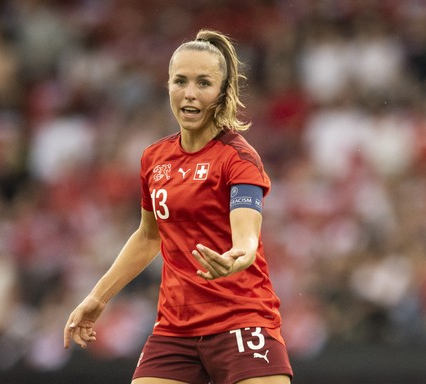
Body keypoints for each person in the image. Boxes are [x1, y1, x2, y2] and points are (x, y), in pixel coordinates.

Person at [63, 29, 293, 384]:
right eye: (180, 81)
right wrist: (98, 298)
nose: (189, 93)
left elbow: (247, 237)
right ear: (167, 86)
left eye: (204, 83)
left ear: (222, 92)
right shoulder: (154, 159)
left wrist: (237, 257)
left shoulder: (239, 158)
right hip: (175, 330)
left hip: (241, 319)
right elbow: (147, 236)